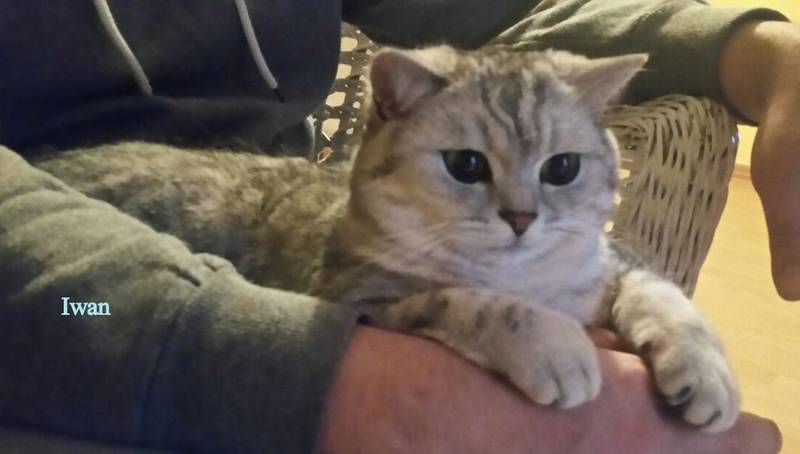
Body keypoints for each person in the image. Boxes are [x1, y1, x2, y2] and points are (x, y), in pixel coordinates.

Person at [0, 0, 793, 452]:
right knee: (85, 310)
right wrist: (373, 390)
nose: (521, 215)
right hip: (71, 298)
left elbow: (510, 11)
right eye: (474, 168)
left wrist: (764, 55)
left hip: (283, 206)